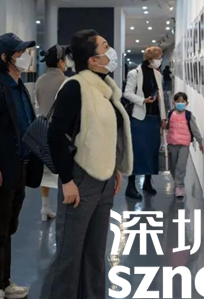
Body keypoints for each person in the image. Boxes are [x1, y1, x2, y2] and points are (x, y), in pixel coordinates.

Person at [41, 29, 133, 299]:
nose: (111, 51)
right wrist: (67, 180)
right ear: (93, 60)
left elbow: (104, 134)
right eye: (105, 46)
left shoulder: (106, 89)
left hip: (104, 180)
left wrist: (114, 168)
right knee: (69, 256)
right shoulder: (75, 87)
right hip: (80, 179)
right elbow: (55, 136)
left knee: (95, 254)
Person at [0, 33, 44, 299]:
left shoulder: (19, 87)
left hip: (18, 169)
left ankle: (4, 282)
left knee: (8, 228)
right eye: (19, 53)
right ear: (5, 58)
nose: (25, 57)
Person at [123, 46, 166, 200]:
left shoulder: (158, 74)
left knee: (152, 151)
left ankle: (148, 182)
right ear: (150, 59)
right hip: (139, 118)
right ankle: (131, 186)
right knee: (137, 151)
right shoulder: (134, 73)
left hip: (154, 118)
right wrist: (143, 100)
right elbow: (127, 93)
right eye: (158, 57)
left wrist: (163, 117)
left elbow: (161, 96)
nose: (160, 60)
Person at [34, 45, 71, 221]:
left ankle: (45, 207)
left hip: (42, 130)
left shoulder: (40, 81)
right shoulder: (67, 82)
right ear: (61, 61)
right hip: (62, 132)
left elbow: (37, 105)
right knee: (64, 170)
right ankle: (64, 208)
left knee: (45, 171)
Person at [166, 92, 204, 198]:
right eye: (178, 101)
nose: (180, 103)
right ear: (173, 103)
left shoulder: (188, 115)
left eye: (182, 101)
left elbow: (194, 129)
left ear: (187, 103)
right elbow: (168, 126)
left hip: (184, 144)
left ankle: (179, 186)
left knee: (181, 166)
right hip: (172, 143)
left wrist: (200, 141)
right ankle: (176, 182)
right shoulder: (170, 114)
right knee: (173, 166)